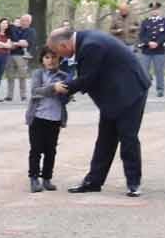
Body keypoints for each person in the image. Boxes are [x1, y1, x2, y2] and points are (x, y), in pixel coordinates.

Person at [50, 26, 149, 198]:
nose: (58, 56)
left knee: (128, 137)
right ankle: (94, 181)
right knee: (105, 138)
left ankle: (133, 183)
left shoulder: (90, 45)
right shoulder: (86, 40)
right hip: (113, 93)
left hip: (130, 91)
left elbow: (88, 79)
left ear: (64, 45)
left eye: (56, 51)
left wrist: (62, 88)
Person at [24, 45, 71, 192]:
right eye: (47, 57)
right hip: (38, 117)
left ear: (60, 59)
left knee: (51, 150)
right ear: (42, 60)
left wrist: (66, 93)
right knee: (36, 149)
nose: (51, 60)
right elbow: (35, 91)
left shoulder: (64, 76)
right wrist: (53, 88)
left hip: (55, 119)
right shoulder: (38, 74)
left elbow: (66, 99)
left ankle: (47, 178)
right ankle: (34, 178)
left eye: (54, 57)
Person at [136, 2, 165, 98]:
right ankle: (144, 88)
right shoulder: (145, 22)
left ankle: (160, 89)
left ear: (159, 10)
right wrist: (149, 43)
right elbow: (141, 35)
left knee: (159, 70)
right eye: (152, 10)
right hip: (146, 50)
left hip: (159, 50)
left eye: (156, 9)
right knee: (144, 70)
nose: (154, 11)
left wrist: (157, 43)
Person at [6, 13, 34, 102]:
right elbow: (9, 41)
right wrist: (18, 43)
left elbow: (26, 44)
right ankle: (9, 95)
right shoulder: (14, 29)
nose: (22, 22)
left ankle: (23, 95)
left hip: (22, 56)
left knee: (22, 76)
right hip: (10, 55)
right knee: (10, 76)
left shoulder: (31, 31)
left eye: (25, 20)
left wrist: (15, 43)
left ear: (29, 22)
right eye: (21, 20)